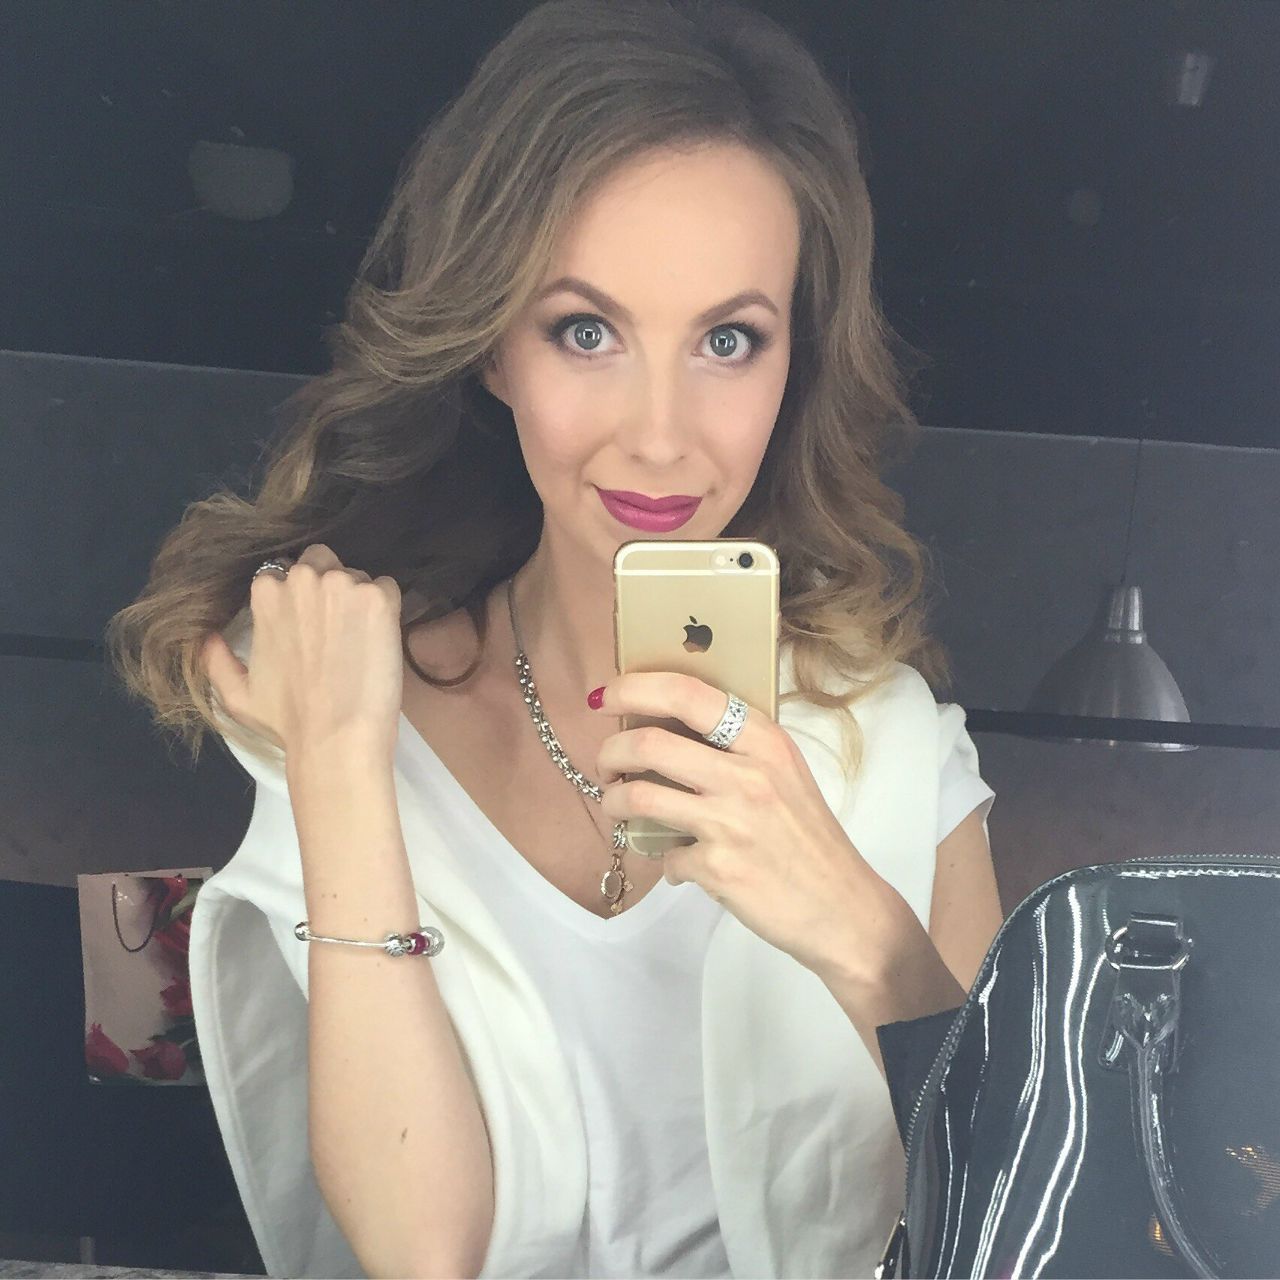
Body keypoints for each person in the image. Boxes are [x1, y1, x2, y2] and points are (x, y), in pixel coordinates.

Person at [105, 1, 1004, 1275]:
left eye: (727, 340)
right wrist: (344, 772)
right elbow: (424, 1248)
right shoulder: (353, 717)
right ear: (491, 347)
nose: (658, 434)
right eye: (585, 330)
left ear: (792, 361)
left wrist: (860, 932)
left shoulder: (892, 749)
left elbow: (1017, 1218)